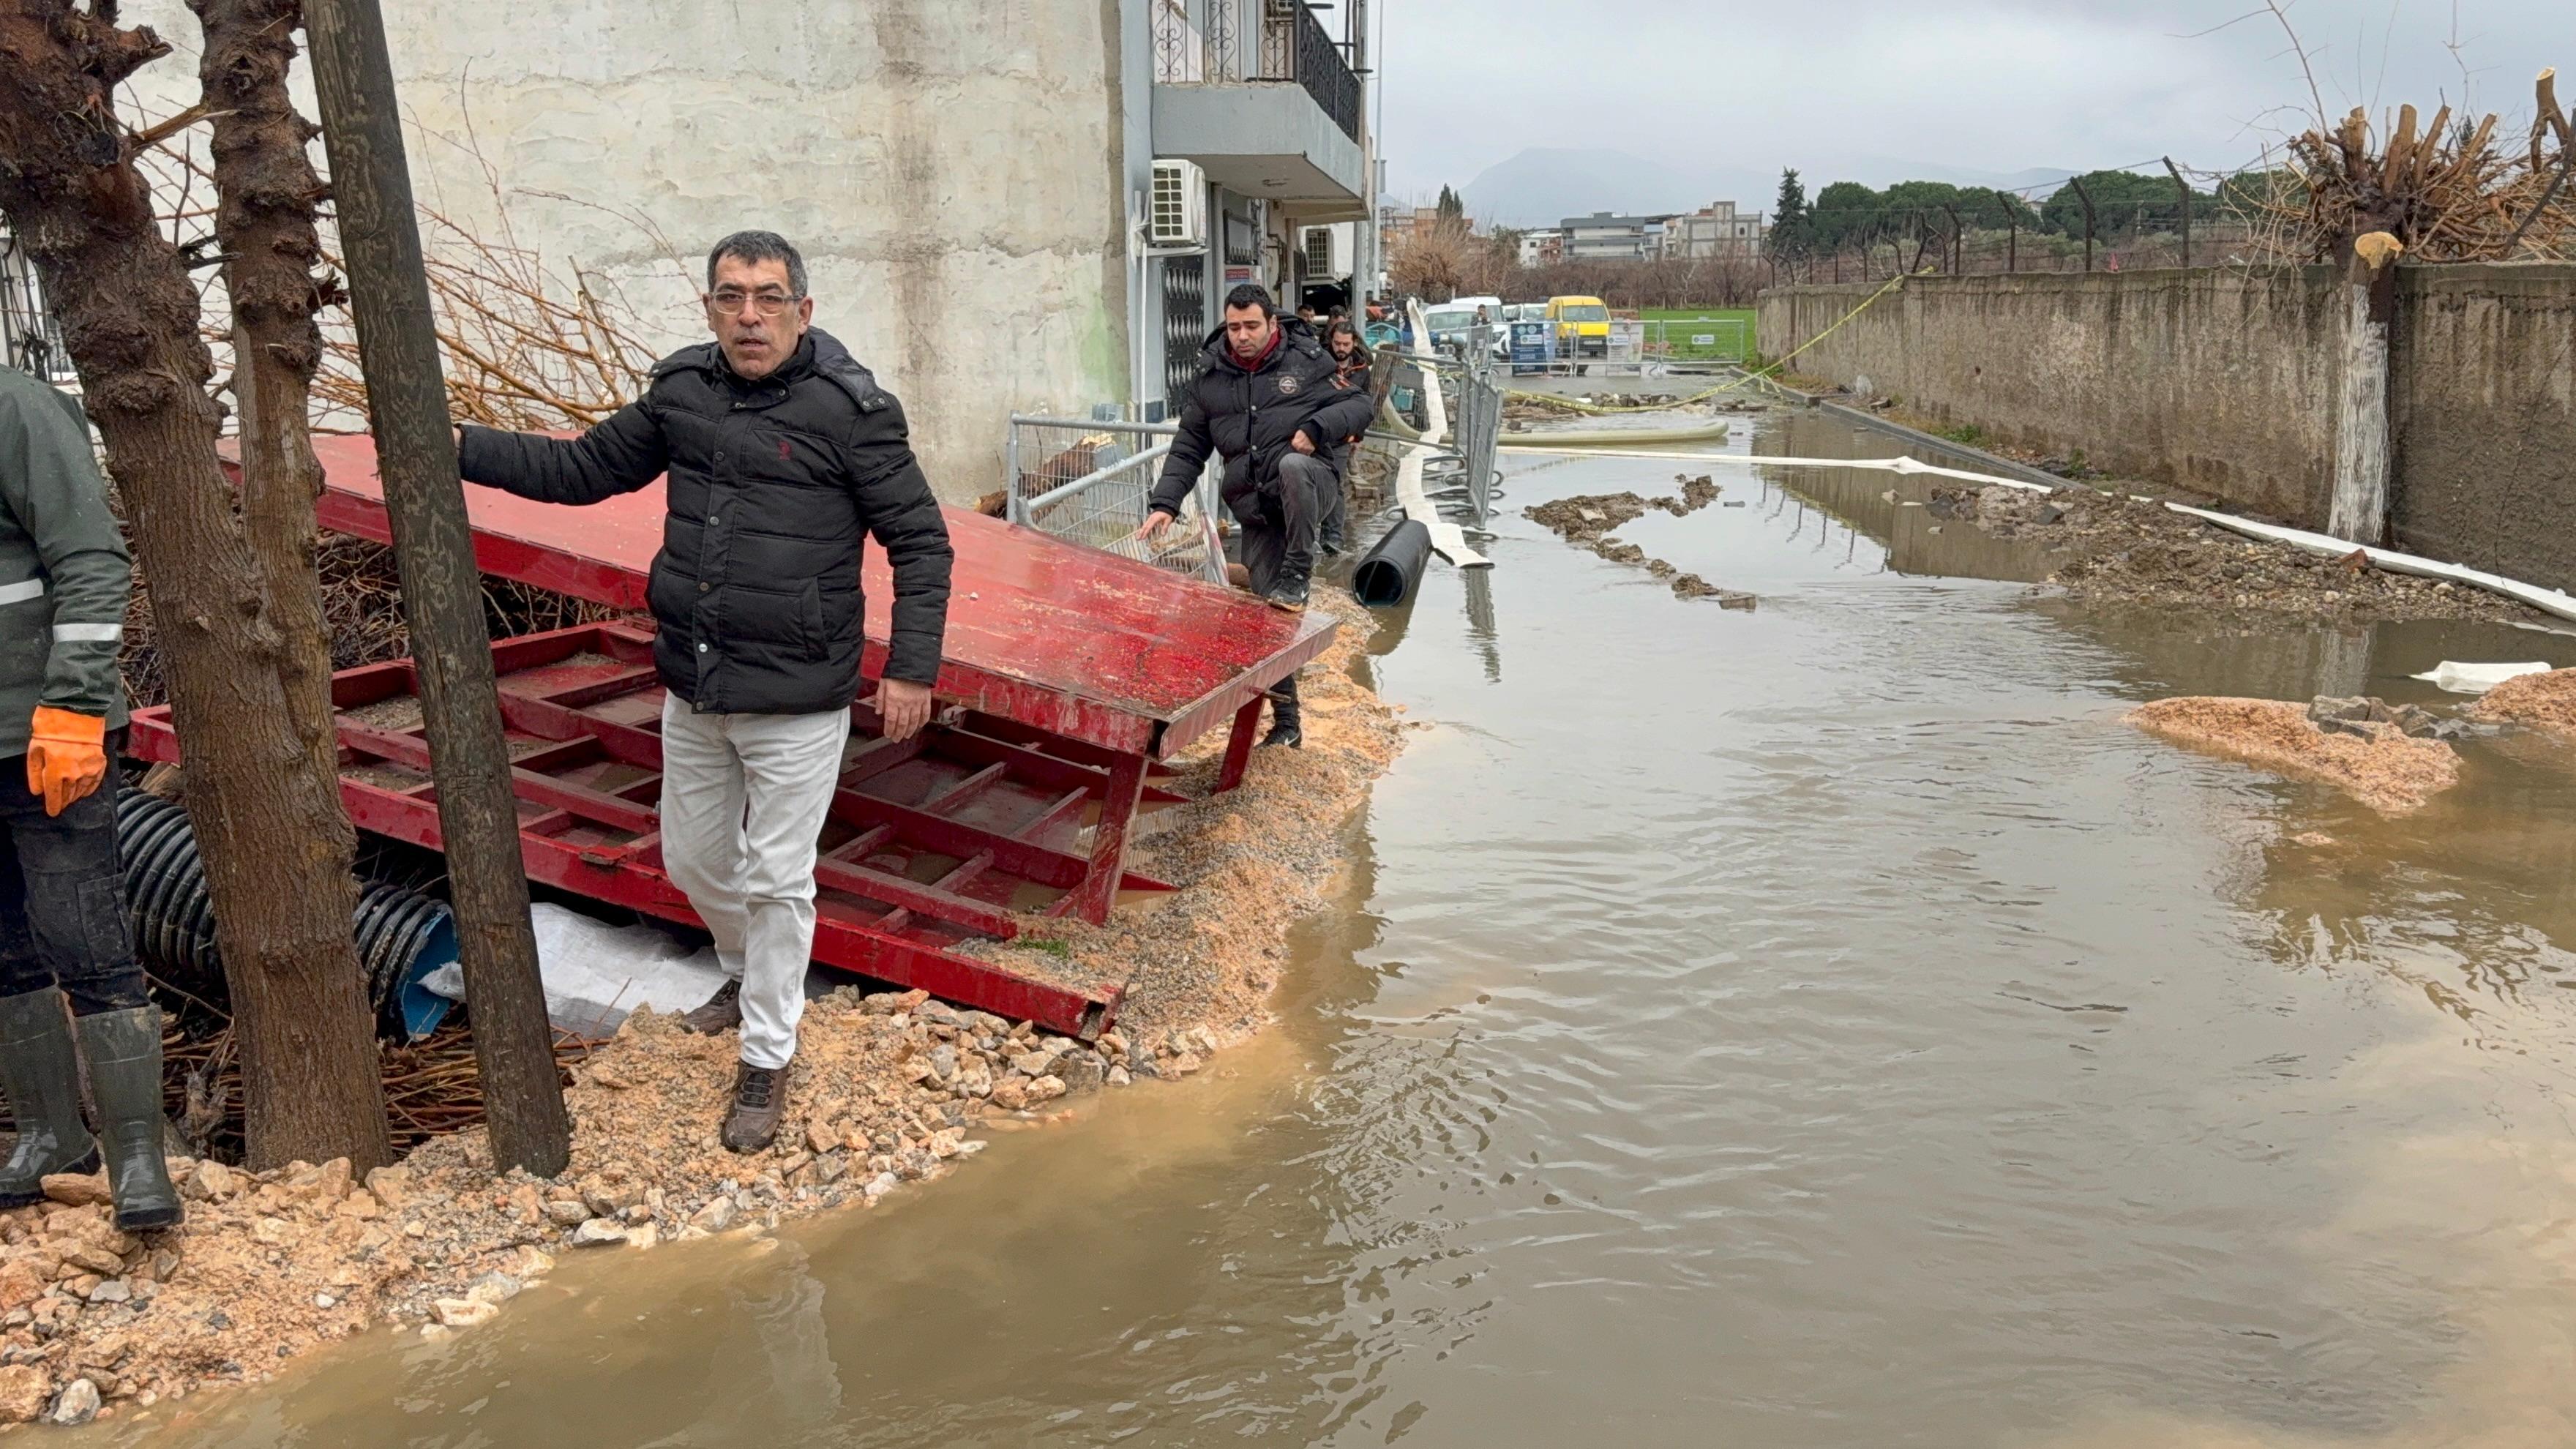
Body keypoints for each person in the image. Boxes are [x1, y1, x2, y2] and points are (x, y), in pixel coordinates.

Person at [456, 231, 954, 1153]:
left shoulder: (853, 412)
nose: (749, 316)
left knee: (777, 879)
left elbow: (921, 542)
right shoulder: (682, 390)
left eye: (768, 297)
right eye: (731, 297)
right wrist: (455, 447)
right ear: (709, 308)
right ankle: (744, 970)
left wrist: (913, 667)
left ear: (803, 310)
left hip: (799, 694)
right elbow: (580, 471)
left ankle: (767, 1054)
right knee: (692, 862)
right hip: (697, 681)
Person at [0, 366, 181, 1232]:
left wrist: (74, 706)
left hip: (43, 734)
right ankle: (50, 1138)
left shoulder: (14, 407)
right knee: (5, 952)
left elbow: (92, 559)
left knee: (86, 941)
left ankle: (136, 1158)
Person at [1134, 284, 1369, 749]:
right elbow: (1189, 447)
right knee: (1268, 621)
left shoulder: (1306, 361)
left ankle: (1300, 570)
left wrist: (1316, 427)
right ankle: (1287, 725)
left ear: (1272, 324)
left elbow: (1359, 405)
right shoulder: (1211, 379)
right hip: (1258, 510)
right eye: (1235, 327)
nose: (1242, 336)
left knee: (1293, 465)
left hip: (1310, 486)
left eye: (1252, 326)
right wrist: (1165, 503)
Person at [1319, 318, 1372, 555]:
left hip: (1343, 437)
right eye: (1337, 343)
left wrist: (1357, 438)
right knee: (1312, 484)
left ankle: (1333, 536)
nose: (1341, 348)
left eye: (1345, 344)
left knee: (1335, 484)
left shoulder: (1361, 370)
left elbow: (1365, 405)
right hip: (1317, 433)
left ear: (1354, 343)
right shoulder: (1319, 363)